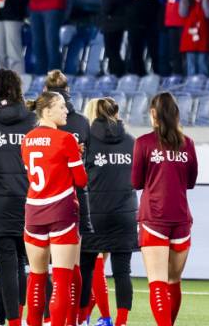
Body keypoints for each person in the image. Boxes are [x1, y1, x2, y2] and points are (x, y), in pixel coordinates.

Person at [22, 91, 88, 326]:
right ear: (47, 111)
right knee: (61, 279)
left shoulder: (27, 139)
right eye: (61, 106)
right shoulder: (66, 139)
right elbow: (81, 180)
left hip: (33, 212)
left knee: (37, 278)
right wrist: (77, 158)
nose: (66, 110)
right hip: (61, 211)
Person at [132, 92, 198, 326]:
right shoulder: (187, 143)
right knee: (173, 280)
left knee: (157, 281)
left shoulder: (143, 143)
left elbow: (136, 182)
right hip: (181, 219)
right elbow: (190, 182)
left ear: (153, 114)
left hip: (153, 219)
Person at [0, 69, 37, 326]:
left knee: (6, 264)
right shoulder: (33, 120)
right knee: (28, 264)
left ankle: (11, 321)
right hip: (30, 200)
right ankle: (11, 320)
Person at [78, 98, 138, 326]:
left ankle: (82, 319)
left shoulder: (85, 142)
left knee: (86, 270)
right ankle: (121, 322)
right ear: (117, 112)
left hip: (94, 214)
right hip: (124, 214)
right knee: (123, 272)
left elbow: (79, 177)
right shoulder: (132, 142)